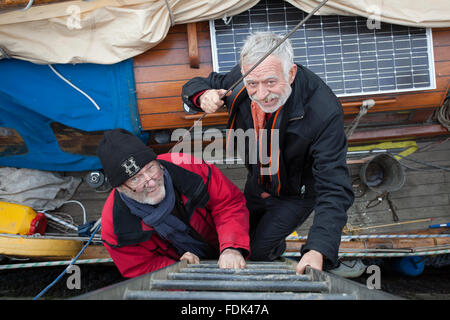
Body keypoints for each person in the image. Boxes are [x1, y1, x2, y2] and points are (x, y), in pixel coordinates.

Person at [181, 32, 354, 274]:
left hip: (295, 195)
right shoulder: (240, 80)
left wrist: (318, 249)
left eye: (271, 82)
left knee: (258, 252)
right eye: (252, 84)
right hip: (258, 179)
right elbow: (195, 84)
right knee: (234, 240)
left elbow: (334, 186)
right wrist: (203, 96)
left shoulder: (324, 111)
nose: (261, 94)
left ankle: (273, 248)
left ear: (291, 73)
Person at [97, 128, 249, 278]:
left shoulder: (188, 166)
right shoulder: (113, 228)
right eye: (135, 179)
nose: (150, 182)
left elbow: (227, 204)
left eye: (150, 168)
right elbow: (142, 267)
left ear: (157, 162)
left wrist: (232, 247)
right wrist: (178, 269)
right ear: (120, 188)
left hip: (233, 246)